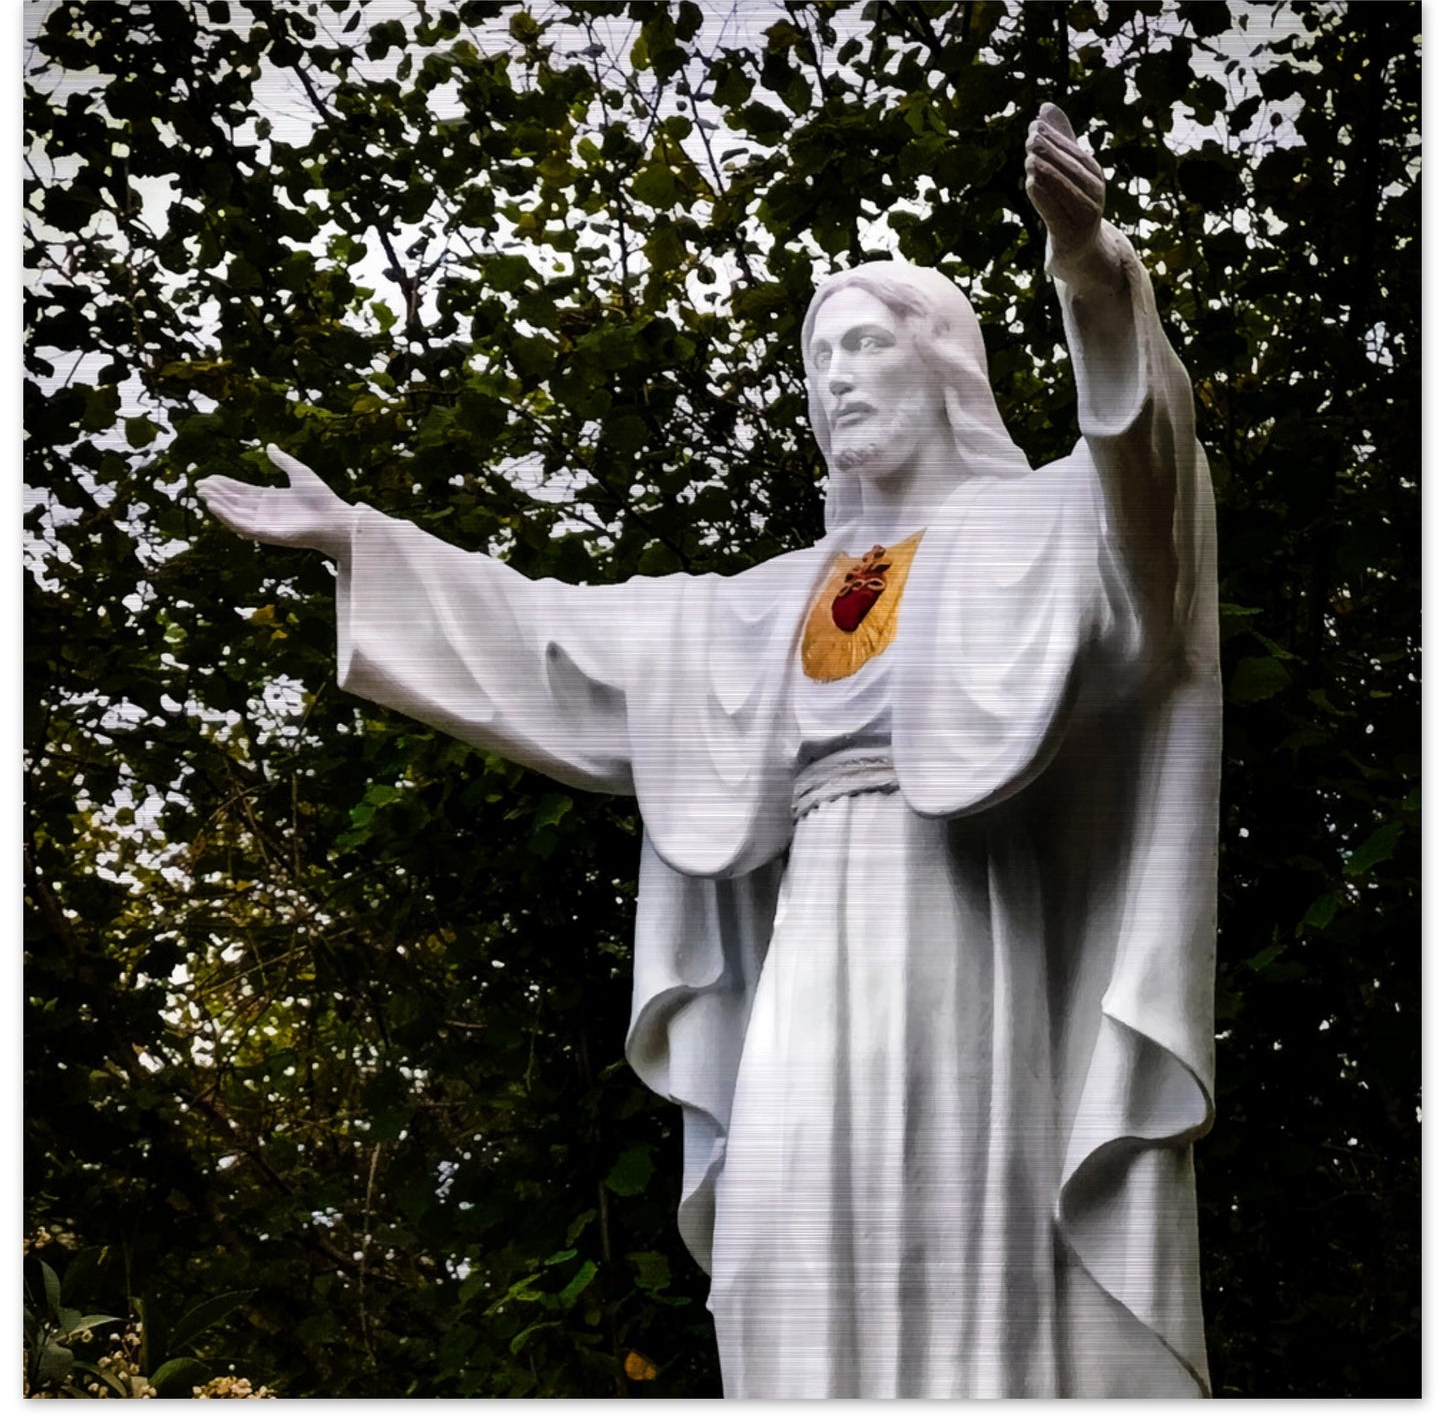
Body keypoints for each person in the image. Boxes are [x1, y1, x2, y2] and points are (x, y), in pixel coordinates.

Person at [199, 105, 1219, 1399]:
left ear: (940, 369)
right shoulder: (767, 599)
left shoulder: (1032, 529)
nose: (837, 376)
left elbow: (1148, 503)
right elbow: (556, 637)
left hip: (962, 935)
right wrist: (364, 541)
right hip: (809, 955)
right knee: (776, 1243)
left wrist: (1090, 272)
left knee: (950, 1227)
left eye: (866, 345)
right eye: (820, 358)